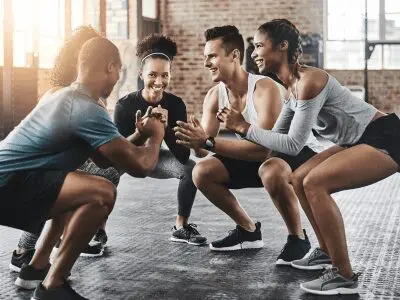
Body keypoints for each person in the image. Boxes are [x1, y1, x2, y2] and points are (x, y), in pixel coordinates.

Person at [219, 18, 400, 295]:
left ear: (282, 46)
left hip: (385, 135)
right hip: (357, 139)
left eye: (258, 46)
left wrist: (243, 127)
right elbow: (274, 143)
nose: (253, 54)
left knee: (316, 182)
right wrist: (221, 138)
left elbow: (292, 144)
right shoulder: (290, 90)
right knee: (299, 176)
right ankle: (327, 252)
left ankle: (344, 275)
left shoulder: (309, 81)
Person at [0, 37, 165, 299]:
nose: (117, 79)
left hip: (13, 181)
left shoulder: (61, 95)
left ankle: (35, 270)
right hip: (10, 187)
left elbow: (105, 158)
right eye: (119, 71)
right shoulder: (86, 108)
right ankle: (52, 287)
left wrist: (139, 134)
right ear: (111, 67)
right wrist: (157, 136)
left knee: (79, 185)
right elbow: (140, 166)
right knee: (102, 192)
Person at [174, 25, 323, 265]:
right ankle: (248, 231)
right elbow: (202, 151)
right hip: (261, 159)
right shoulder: (214, 96)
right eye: (205, 58)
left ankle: (298, 238)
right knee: (201, 172)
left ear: (234, 56)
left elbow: (264, 150)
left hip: (298, 155)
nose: (206, 63)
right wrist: (191, 138)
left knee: (271, 168)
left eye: (212, 56)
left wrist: (208, 141)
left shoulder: (265, 89)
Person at [9, 27, 119, 282]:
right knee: (97, 181)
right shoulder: (73, 98)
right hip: (27, 178)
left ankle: (37, 263)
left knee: (84, 177)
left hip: (33, 173)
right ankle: (31, 255)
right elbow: (111, 157)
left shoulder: (63, 93)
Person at [114, 33, 206, 246]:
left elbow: (183, 156)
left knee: (191, 168)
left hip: (155, 158)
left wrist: (165, 129)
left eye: (165, 75)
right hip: (128, 158)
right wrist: (142, 133)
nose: (159, 81)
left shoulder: (176, 105)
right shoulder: (124, 106)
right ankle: (97, 231)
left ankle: (181, 227)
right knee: (105, 171)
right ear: (141, 74)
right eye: (153, 75)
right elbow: (118, 151)